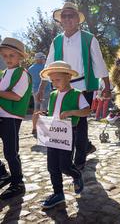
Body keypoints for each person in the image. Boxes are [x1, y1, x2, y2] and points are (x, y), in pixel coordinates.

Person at [37, 2, 111, 170]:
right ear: (60, 20)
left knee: (81, 121)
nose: (68, 18)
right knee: (63, 120)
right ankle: (70, 156)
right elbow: (49, 65)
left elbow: (99, 62)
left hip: (83, 86)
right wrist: (41, 88)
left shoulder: (88, 38)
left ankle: (79, 160)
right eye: (64, 16)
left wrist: (107, 86)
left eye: (71, 15)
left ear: (78, 19)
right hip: (61, 88)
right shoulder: (57, 41)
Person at [38, 61, 90, 209]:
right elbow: (52, 113)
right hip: (53, 132)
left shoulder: (77, 94)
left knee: (65, 166)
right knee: (52, 166)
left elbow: (87, 111)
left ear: (68, 77)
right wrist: (43, 115)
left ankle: (76, 175)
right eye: (52, 80)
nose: (54, 83)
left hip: (68, 133)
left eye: (57, 80)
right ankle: (58, 194)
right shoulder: (53, 95)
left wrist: (72, 112)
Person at [0, 37, 32, 200]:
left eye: (11, 55)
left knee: (11, 151)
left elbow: (16, 96)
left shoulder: (22, 74)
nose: (7, 59)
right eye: (4, 56)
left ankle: (18, 183)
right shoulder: (5, 73)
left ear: (20, 57)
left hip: (11, 117)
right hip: (1, 114)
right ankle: (3, 174)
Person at [28, 52, 51, 137]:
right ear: (41, 58)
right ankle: (43, 130)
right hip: (45, 90)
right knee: (43, 110)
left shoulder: (30, 68)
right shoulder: (45, 67)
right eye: (44, 58)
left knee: (36, 109)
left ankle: (34, 128)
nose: (44, 60)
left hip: (34, 91)